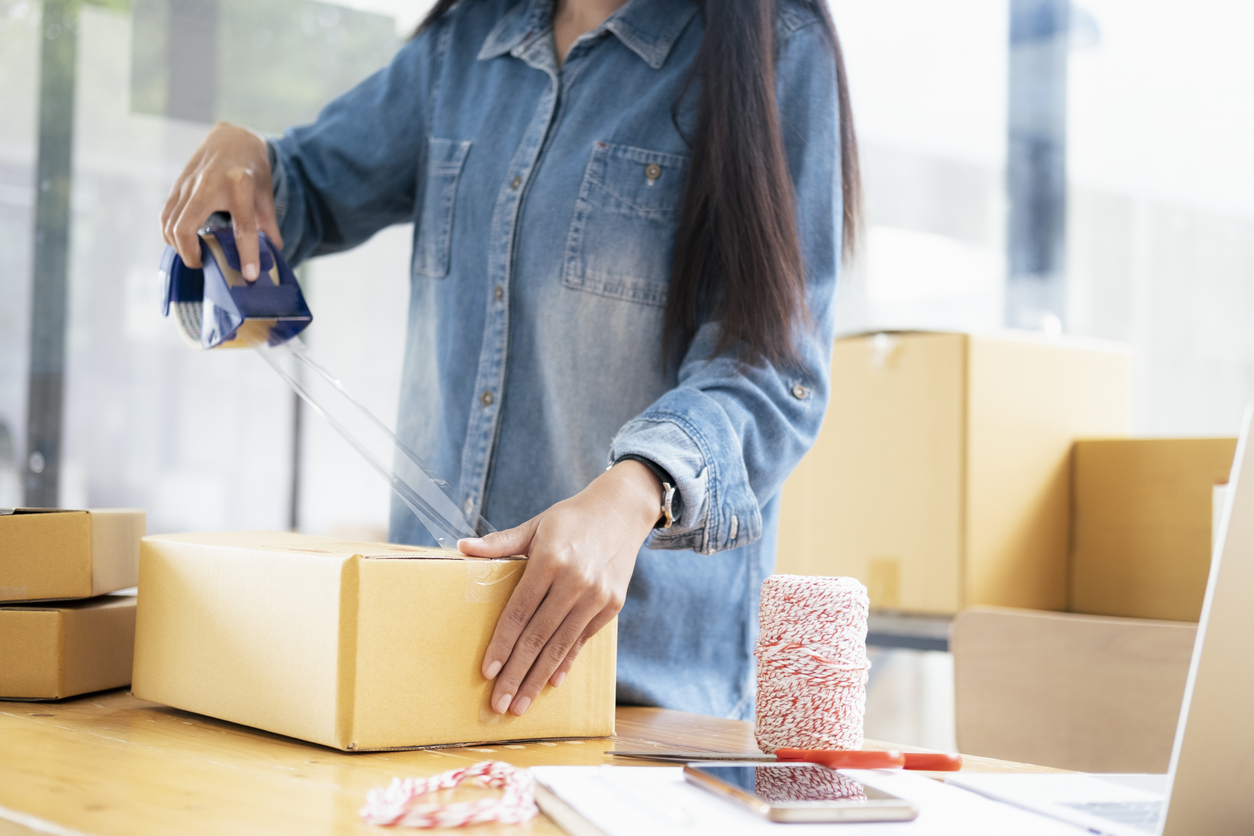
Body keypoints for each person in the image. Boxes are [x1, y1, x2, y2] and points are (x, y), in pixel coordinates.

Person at [160, 0, 860, 721]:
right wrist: (247, 173)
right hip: (425, 674)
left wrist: (637, 489)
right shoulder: (464, 42)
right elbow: (298, 190)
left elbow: (771, 372)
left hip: (635, 699)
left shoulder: (779, 47)